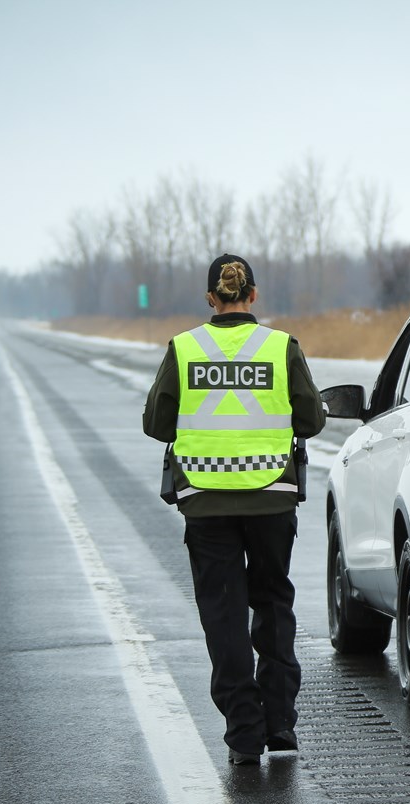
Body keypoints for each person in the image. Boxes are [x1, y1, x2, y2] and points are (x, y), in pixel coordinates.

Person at [143, 253, 325, 765]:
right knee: (272, 602)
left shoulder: (183, 349)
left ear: (210, 299)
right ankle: (281, 723)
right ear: (253, 295)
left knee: (223, 615)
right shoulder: (280, 347)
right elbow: (309, 419)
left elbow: (158, 424)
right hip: (271, 497)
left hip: (205, 503)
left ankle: (244, 731)